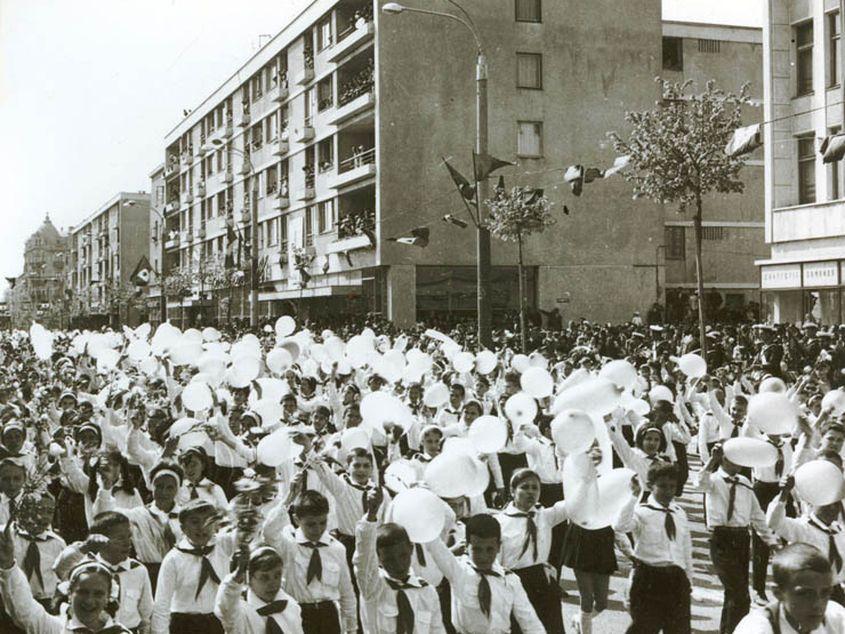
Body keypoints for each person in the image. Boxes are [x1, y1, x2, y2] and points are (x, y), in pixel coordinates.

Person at [0, 516, 132, 632]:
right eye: (82, 592)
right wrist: (8, 564)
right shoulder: (55, 628)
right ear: (69, 592)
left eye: (98, 594)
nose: (89, 600)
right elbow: (24, 609)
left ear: (108, 597)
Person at [699, 444, 779, 633]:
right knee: (740, 594)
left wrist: (771, 541)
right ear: (723, 459)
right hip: (722, 539)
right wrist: (712, 460)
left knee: (733, 594)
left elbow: (757, 515)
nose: (738, 463)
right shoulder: (713, 479)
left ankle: (728, 631)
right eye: (733, 458)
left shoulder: (744, 482)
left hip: (742, 539)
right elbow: (699, 482)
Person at [425, 512, 544, 633]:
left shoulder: (510, 580)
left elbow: (530, 622)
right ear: (466, 546)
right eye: (477, 549)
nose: (483, 557)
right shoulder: (457, 570)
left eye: (490, 549)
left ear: (498, 547)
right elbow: (434, 545)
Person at [262, 488, 357, 634]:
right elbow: (268, 531)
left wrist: (351, 628)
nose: (318, 529)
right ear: (296, 520)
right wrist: (288, 499)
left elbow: (346, 592)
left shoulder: (337, 548)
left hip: (328, 616)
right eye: (311, 524)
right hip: (297, 615)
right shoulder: (288, 544)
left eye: (322, 522)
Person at [353, 488, 445, 633]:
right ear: (378, 559)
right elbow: (363, 559)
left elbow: (437, 630)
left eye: (403, 555)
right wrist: (371, 515)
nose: (398, 564)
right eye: (389, 559)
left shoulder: (427, 591)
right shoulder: (373, 587)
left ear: (411, 549)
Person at [615, 462, 693, 634]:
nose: (668, 491)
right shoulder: (642, 512)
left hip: (676, 579)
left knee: (679, 630)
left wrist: (688, 578)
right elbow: (620, 526)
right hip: (649, 578)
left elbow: (686, 547)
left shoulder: (679, 513)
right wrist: (633, 497)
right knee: (644, 628)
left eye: (672, 486)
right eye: (663, 486)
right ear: (651, 486)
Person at [54, 511, 153, 633]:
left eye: (129, 536)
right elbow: (60, 568)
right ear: (101, 540)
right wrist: (84, 547)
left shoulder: (138, 570)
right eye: (120, 538)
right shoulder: (86, 568)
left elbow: (146, 613)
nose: (127, 543)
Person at [152, 498, 235, 634]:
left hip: (217, 623)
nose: (202, 527)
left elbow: (248, 534)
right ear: (183, 528)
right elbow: (161, 605)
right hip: (184, 625)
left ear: (215, 525)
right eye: (195, 522)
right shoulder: (173, 559)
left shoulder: (223, 546)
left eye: (208, 522)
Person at [734, 543, 845, 633]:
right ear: (778, 593)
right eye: (805, 594)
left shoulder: (835, 617)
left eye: (825, 593)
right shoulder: (757, 629)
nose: (817, 604)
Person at [214, 545, 304, 634]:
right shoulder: (240, 612)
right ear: (249, 579)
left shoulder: (290, 606)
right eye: (264, 578)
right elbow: (225, 607)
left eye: (277, 576)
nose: (272, 583)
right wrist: (237, 576)